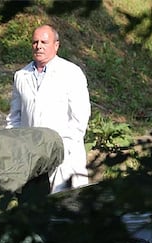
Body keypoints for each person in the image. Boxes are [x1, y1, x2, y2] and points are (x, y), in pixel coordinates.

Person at [6, 24, 91, 193]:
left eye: (44, 42)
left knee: (65, 206)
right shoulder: (21, 76)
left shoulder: (71, 73)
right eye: (35, 42)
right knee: (32, 206)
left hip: (63, 155)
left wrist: (61, 147)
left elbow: (80, 118)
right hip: (30, 155)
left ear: (56, 45)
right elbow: (14, 117)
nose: (39, 46)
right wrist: (14, 145)